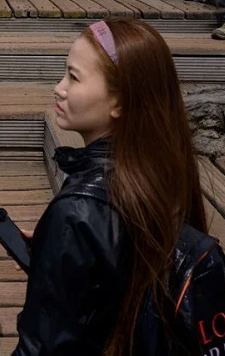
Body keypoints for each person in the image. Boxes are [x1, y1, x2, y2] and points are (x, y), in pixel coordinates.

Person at [13, 18, 207, 355]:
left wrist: (66, 243)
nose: (59, 88)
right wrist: (60, 254)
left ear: (119, 102)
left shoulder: (79, 210)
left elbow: (42, 345)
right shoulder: (162, 171)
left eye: (73, 77)